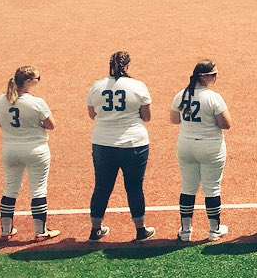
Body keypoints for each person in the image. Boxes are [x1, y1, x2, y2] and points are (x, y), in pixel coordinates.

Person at [85, 51, 155, 242]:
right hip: (134, 143)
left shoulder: (96, 87)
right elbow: (146, 117)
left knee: (102, 187)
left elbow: (93, 115)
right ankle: (141, 230)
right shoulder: (138, 86)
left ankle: (95, 229)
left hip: (103, 143)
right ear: (128, 66)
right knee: (134, 187)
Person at [169, 59, 232, 242]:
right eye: (214, 75)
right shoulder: (213, 97)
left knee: (188, 187)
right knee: (212, 188)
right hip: (210, 146)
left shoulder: (181, 95)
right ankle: (214, 230)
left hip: (186, 145)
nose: (216, 77)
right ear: (203, 77)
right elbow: (226, 124)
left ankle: (186, 230)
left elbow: (174, 119)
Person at [0, 66, 58, 241]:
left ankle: (6, 230)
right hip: (35, 150)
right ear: (28, 82)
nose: (39, 80)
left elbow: (0, 122)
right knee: (38, 189)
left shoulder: (1, 101)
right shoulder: (36, 102)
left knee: (10, 188)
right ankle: (40, 231)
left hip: (10, 149)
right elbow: (51, 125)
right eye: (38, 78)